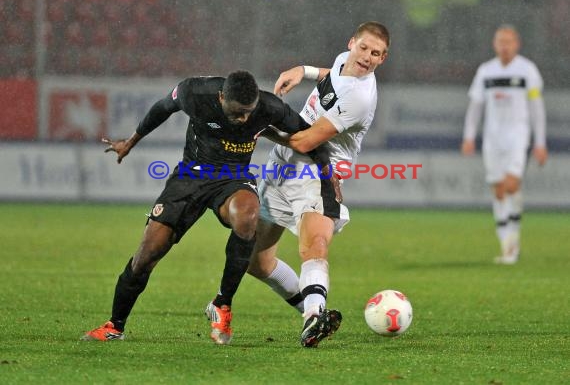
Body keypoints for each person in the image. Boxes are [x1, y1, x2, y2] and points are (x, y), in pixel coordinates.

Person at [81, 70, 332, 345]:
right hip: (191, 176)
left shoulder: (269, 106)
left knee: (248, 216)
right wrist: (131, 141)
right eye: (237, 113)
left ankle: (222, 305)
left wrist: (327, 174)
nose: (243, 119)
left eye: (248, 113)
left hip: (234, 178)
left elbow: (310, 136)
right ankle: (114, 326)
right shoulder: (195, 92)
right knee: (147, 255)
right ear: (222, 97)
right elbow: (163, 107)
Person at [246, 21, 390, 347]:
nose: (367, 57)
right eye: (364, 48)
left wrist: (258, 126)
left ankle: (313, 317)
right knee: (256, 261)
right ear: (352, 43)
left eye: (376, 54)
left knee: (313, 244)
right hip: (280, 168)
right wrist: (304, 70)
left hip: (318, 172)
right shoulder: (344, 61)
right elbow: (333, 75)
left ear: (384, 58)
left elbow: (306, 142)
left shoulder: (360, 99)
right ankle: (312, 314)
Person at [461, 25, 548, 265]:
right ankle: (507, 246)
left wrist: (540, 142)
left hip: (518, 135)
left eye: (509, 41)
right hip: (492, 138)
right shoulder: (486, 71)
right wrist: (469, 136)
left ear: (517, 44)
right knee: (498, 189)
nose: (505, 46)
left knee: (511, 185)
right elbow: (475, 107)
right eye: (501, 41)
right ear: (494, 44)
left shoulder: (527, 70)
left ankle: (513, 243)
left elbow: (536, 108)